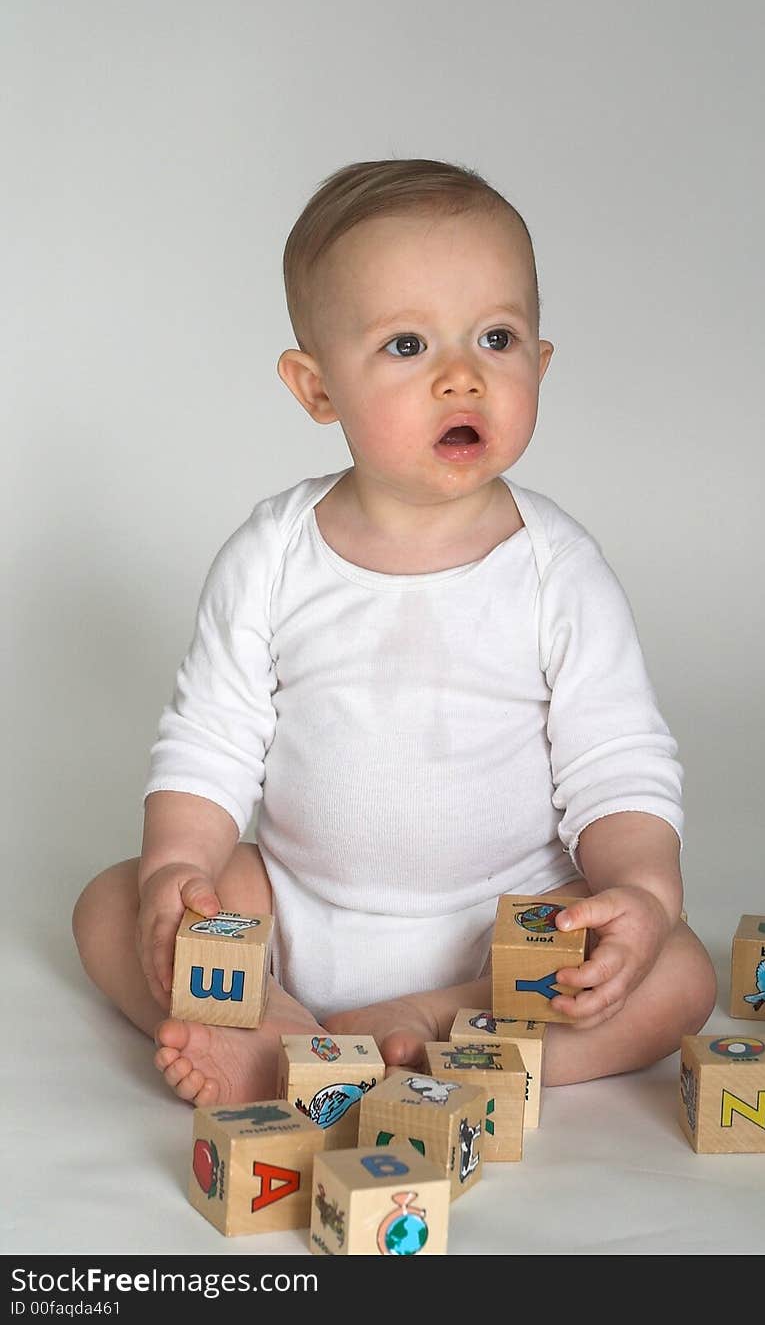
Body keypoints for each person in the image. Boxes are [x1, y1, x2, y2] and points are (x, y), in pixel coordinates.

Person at [72, 157, 717, 1109]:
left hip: (499, 944)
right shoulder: (273, 554)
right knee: (108, 906)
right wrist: (182, 870)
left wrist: (642, 894)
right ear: (317, 387)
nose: (463, 374)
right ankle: (279, 1021)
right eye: (408, 345)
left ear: (538, 364)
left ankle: (434, 1029)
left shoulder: (557, 569)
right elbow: (210, 741)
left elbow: (617, 760)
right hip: (297, 910)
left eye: (496, 337)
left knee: (682, 975)